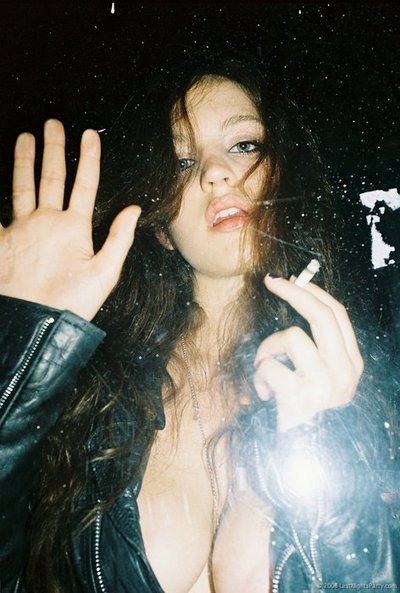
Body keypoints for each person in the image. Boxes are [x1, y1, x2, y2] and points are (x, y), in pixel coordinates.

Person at [0, 50, 398, 593]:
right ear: (162, 229)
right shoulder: (90, 392)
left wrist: (328, 440)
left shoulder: (370, 388)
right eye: (182, 163)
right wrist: (22, 350)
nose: (215, 172)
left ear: (284, 174)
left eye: (244, 145)